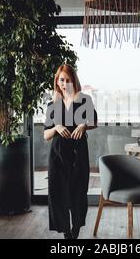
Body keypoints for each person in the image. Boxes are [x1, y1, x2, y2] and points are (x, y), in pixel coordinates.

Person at [43, 64, 98, 239]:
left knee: (78, 192)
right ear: (57, 82)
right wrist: (57, 127)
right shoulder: (53, 105)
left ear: (74, 81)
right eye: (61, 80)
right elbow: (46, 134)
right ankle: (67, 233)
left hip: (78, 154)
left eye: (68, 80)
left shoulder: (84, 100)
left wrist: (83, 124)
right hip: (57, 156)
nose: (64, 83)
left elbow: (94, 122)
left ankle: (76, 230)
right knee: (58, 194)